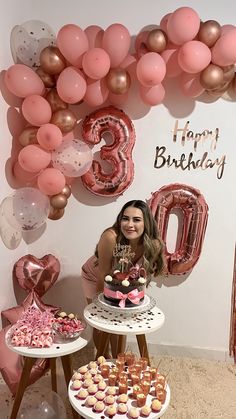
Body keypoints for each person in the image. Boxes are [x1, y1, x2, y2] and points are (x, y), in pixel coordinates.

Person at [81, 199, 165, 356]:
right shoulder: (110, 237)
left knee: (121, 326)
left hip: (120, 283)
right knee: (103, 323)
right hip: (95, 277)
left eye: (137, 219)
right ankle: (103, 359)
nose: (129, 224)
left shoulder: (153, 244)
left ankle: (117, 358)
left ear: (146, 222)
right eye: (125, 218)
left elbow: (141, 277)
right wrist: (103, 309)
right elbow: (103, 275)